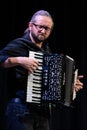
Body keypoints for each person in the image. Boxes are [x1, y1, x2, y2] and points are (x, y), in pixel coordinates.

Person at [0, 10, 83, 130]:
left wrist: (70, 88)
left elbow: (51, 88)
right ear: (30, 25)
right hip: (20, 110)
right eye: (40, 27)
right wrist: (19, 60)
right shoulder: (20, 44)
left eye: (47, 28)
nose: (43, 31)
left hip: (42, 113)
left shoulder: (46, 52)